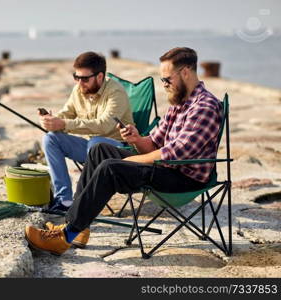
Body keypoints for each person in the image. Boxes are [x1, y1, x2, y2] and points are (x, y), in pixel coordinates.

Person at [25, 47, 223, 256]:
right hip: (165, 167)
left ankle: (65, 236)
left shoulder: (205, 107)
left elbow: (176, 153)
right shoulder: (180, 104)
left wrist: (135, 160)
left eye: (166, 80)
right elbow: (154, 143)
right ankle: (78, 226)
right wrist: (136, 139)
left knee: (110, 169)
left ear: (185, 72)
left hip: (183, 177)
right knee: (100, 150)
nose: (164, 85)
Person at [39, 51, 133, 212]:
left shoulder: (115, 92)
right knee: (50, 139)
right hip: (91, 149)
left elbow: (104, 126)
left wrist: (63, 123)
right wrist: (51, 121)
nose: (80, 83)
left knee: (96, 143)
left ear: (100, 76)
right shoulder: (78, 90)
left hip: (118, 150)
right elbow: (66, 114)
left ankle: (84, 202)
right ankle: (64, 200)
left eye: (84, 79)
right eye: (76, 77)